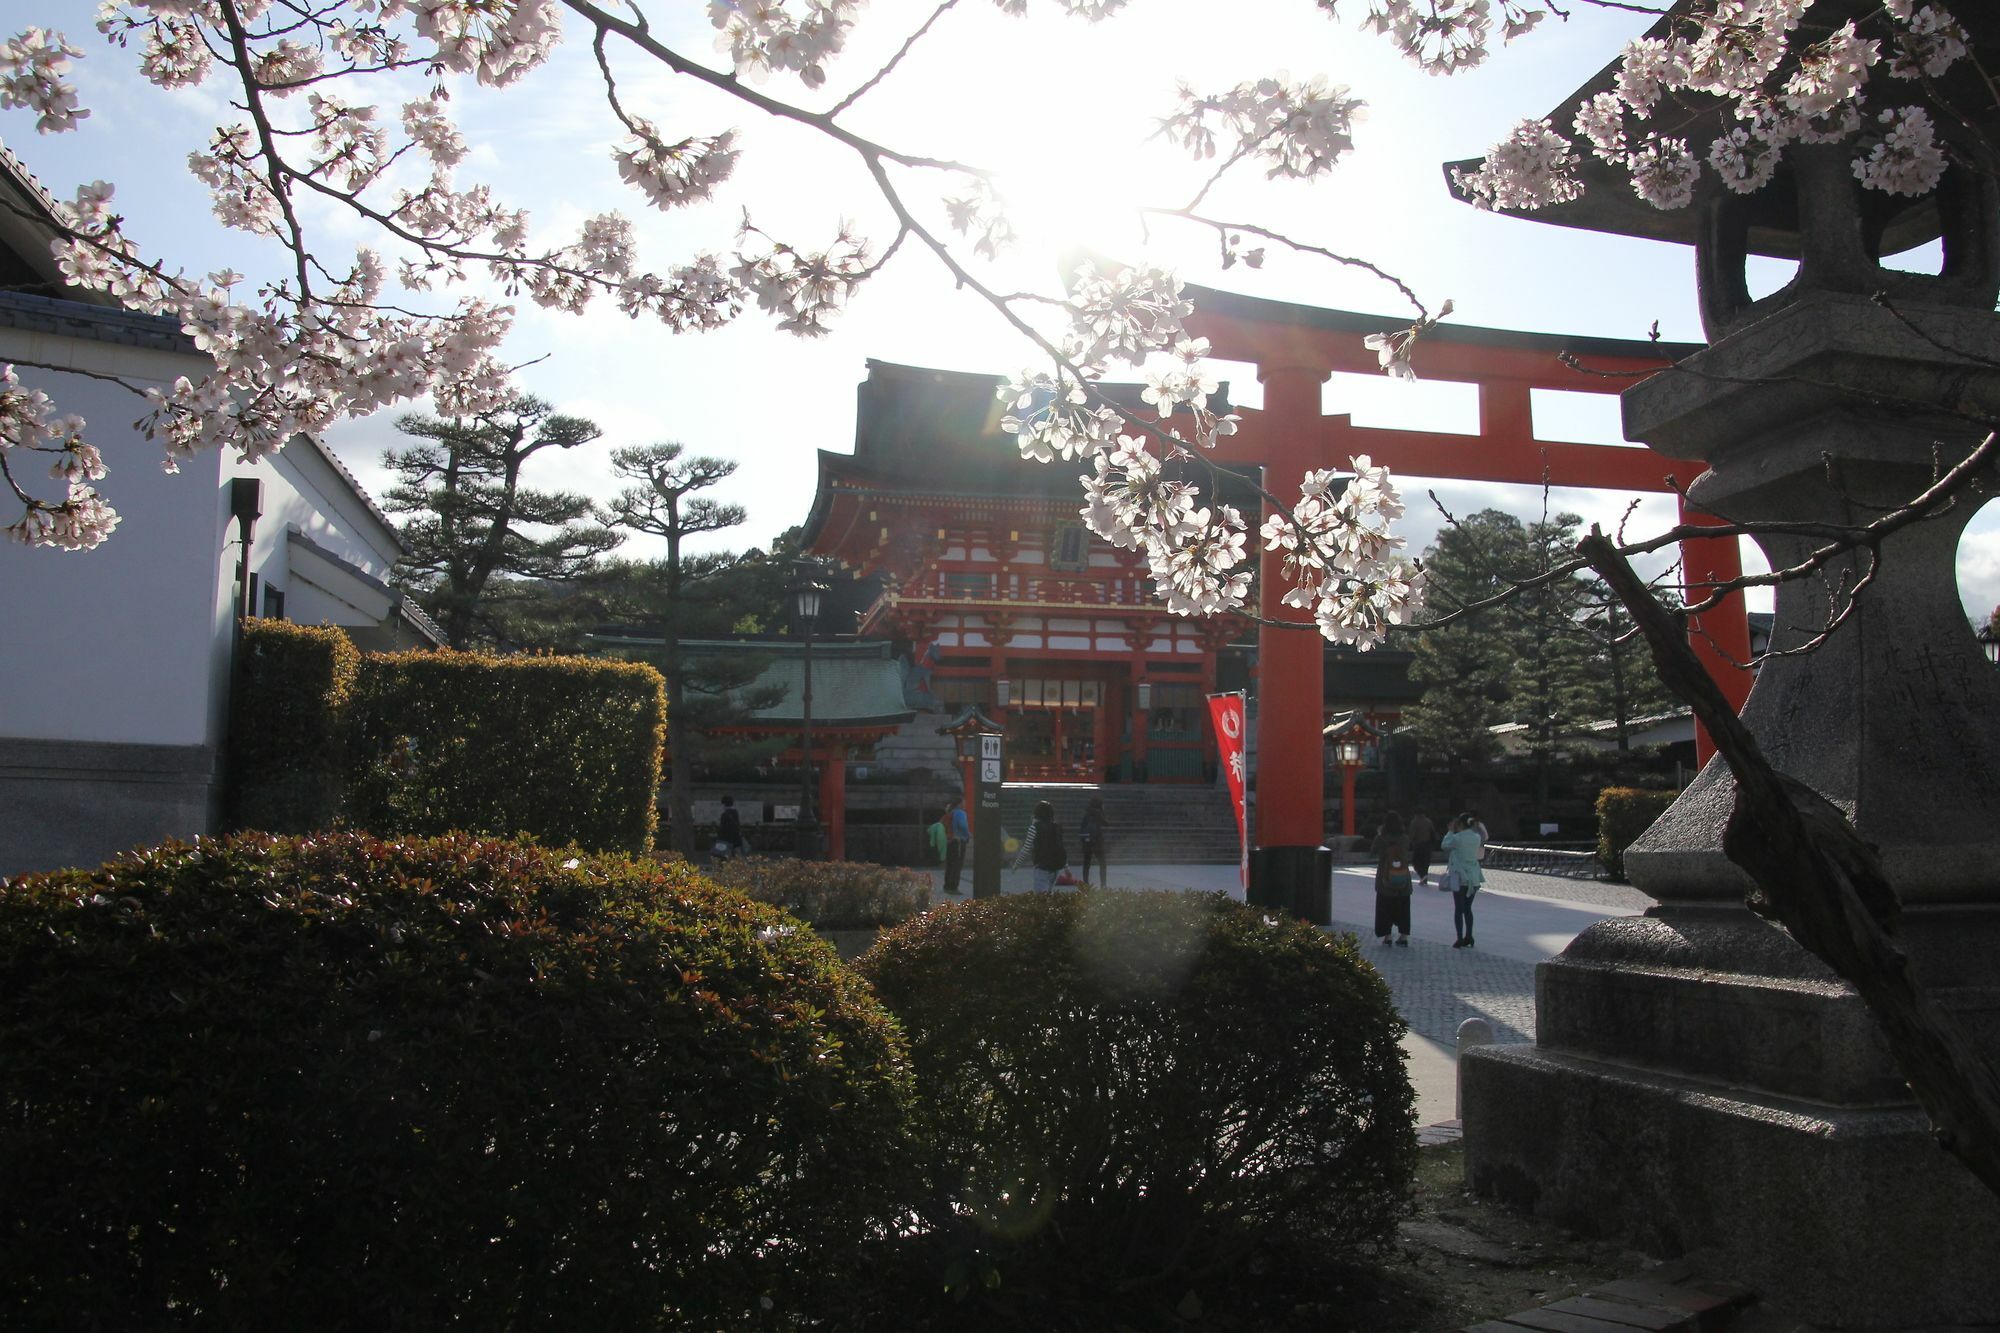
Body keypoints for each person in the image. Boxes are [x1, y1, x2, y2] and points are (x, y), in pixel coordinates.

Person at [1439, 811, 1486, 949]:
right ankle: (1469, 936)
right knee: (1468, 909)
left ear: (1460, 824)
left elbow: (1444, 845)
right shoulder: (1476, 837)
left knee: (1458, 909)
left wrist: (1450, 831)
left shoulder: (1457, 838)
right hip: (1473, 875)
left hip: (1458, 876)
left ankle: (1459, 938)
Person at [1371, 811, 1414, 947]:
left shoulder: (1381, 838)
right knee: (1404, 908)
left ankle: (1387, 936)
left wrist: (1379, 835)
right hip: (1403, 879)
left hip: (1385, 879)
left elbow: (1372, 851)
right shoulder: (1404, 838)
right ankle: (1404, 936)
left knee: (1385, 908)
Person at [1018, 798, 1068, 892]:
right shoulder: (1056, 827)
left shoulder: (1034, 828)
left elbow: (1026, 848)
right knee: (1048, 895)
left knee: (1041, 898)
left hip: (1041, 866)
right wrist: (1066, 868)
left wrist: (1016, 865)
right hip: (1055, 867)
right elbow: (1060, 847)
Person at [1078, 794, 1109, 888]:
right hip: (1097, 843)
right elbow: (1106, 823)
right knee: (1102, 864)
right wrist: (1103, 812)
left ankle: (1085, 883)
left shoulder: (1087, 813)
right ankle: (1103, 884)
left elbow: (1082, 827)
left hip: (1087, 842)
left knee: (1086, 863)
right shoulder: (1098, 813)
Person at [942, 794, 969, 896]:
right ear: (960, 804)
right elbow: (963, 826)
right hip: (958, 842)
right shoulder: (960, 813)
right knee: (957, 866)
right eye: (963, 802)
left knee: (949, 865)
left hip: (950, 841)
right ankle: (953, 887)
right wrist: (967, 835)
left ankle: (947, 886)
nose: (965, 804)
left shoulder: (951, 812)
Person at [1408, 810, 1436, 886]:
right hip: (1427, 844)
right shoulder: (1428, 821)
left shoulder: (1414, 822)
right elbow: (1432, 833)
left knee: (1416, 862)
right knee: (1425, 863)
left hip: (1418, 844)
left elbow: (1412, 834)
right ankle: (1424, 877)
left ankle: (1423, 875)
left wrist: (1409, 843)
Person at [715, 794, 746, 860]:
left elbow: (723, 828)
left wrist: (719, 837)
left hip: (727, 839)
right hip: (736, 838)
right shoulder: (735, 812)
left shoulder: (724, 814)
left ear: (724, 804)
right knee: (737, 856)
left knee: (726, 857)